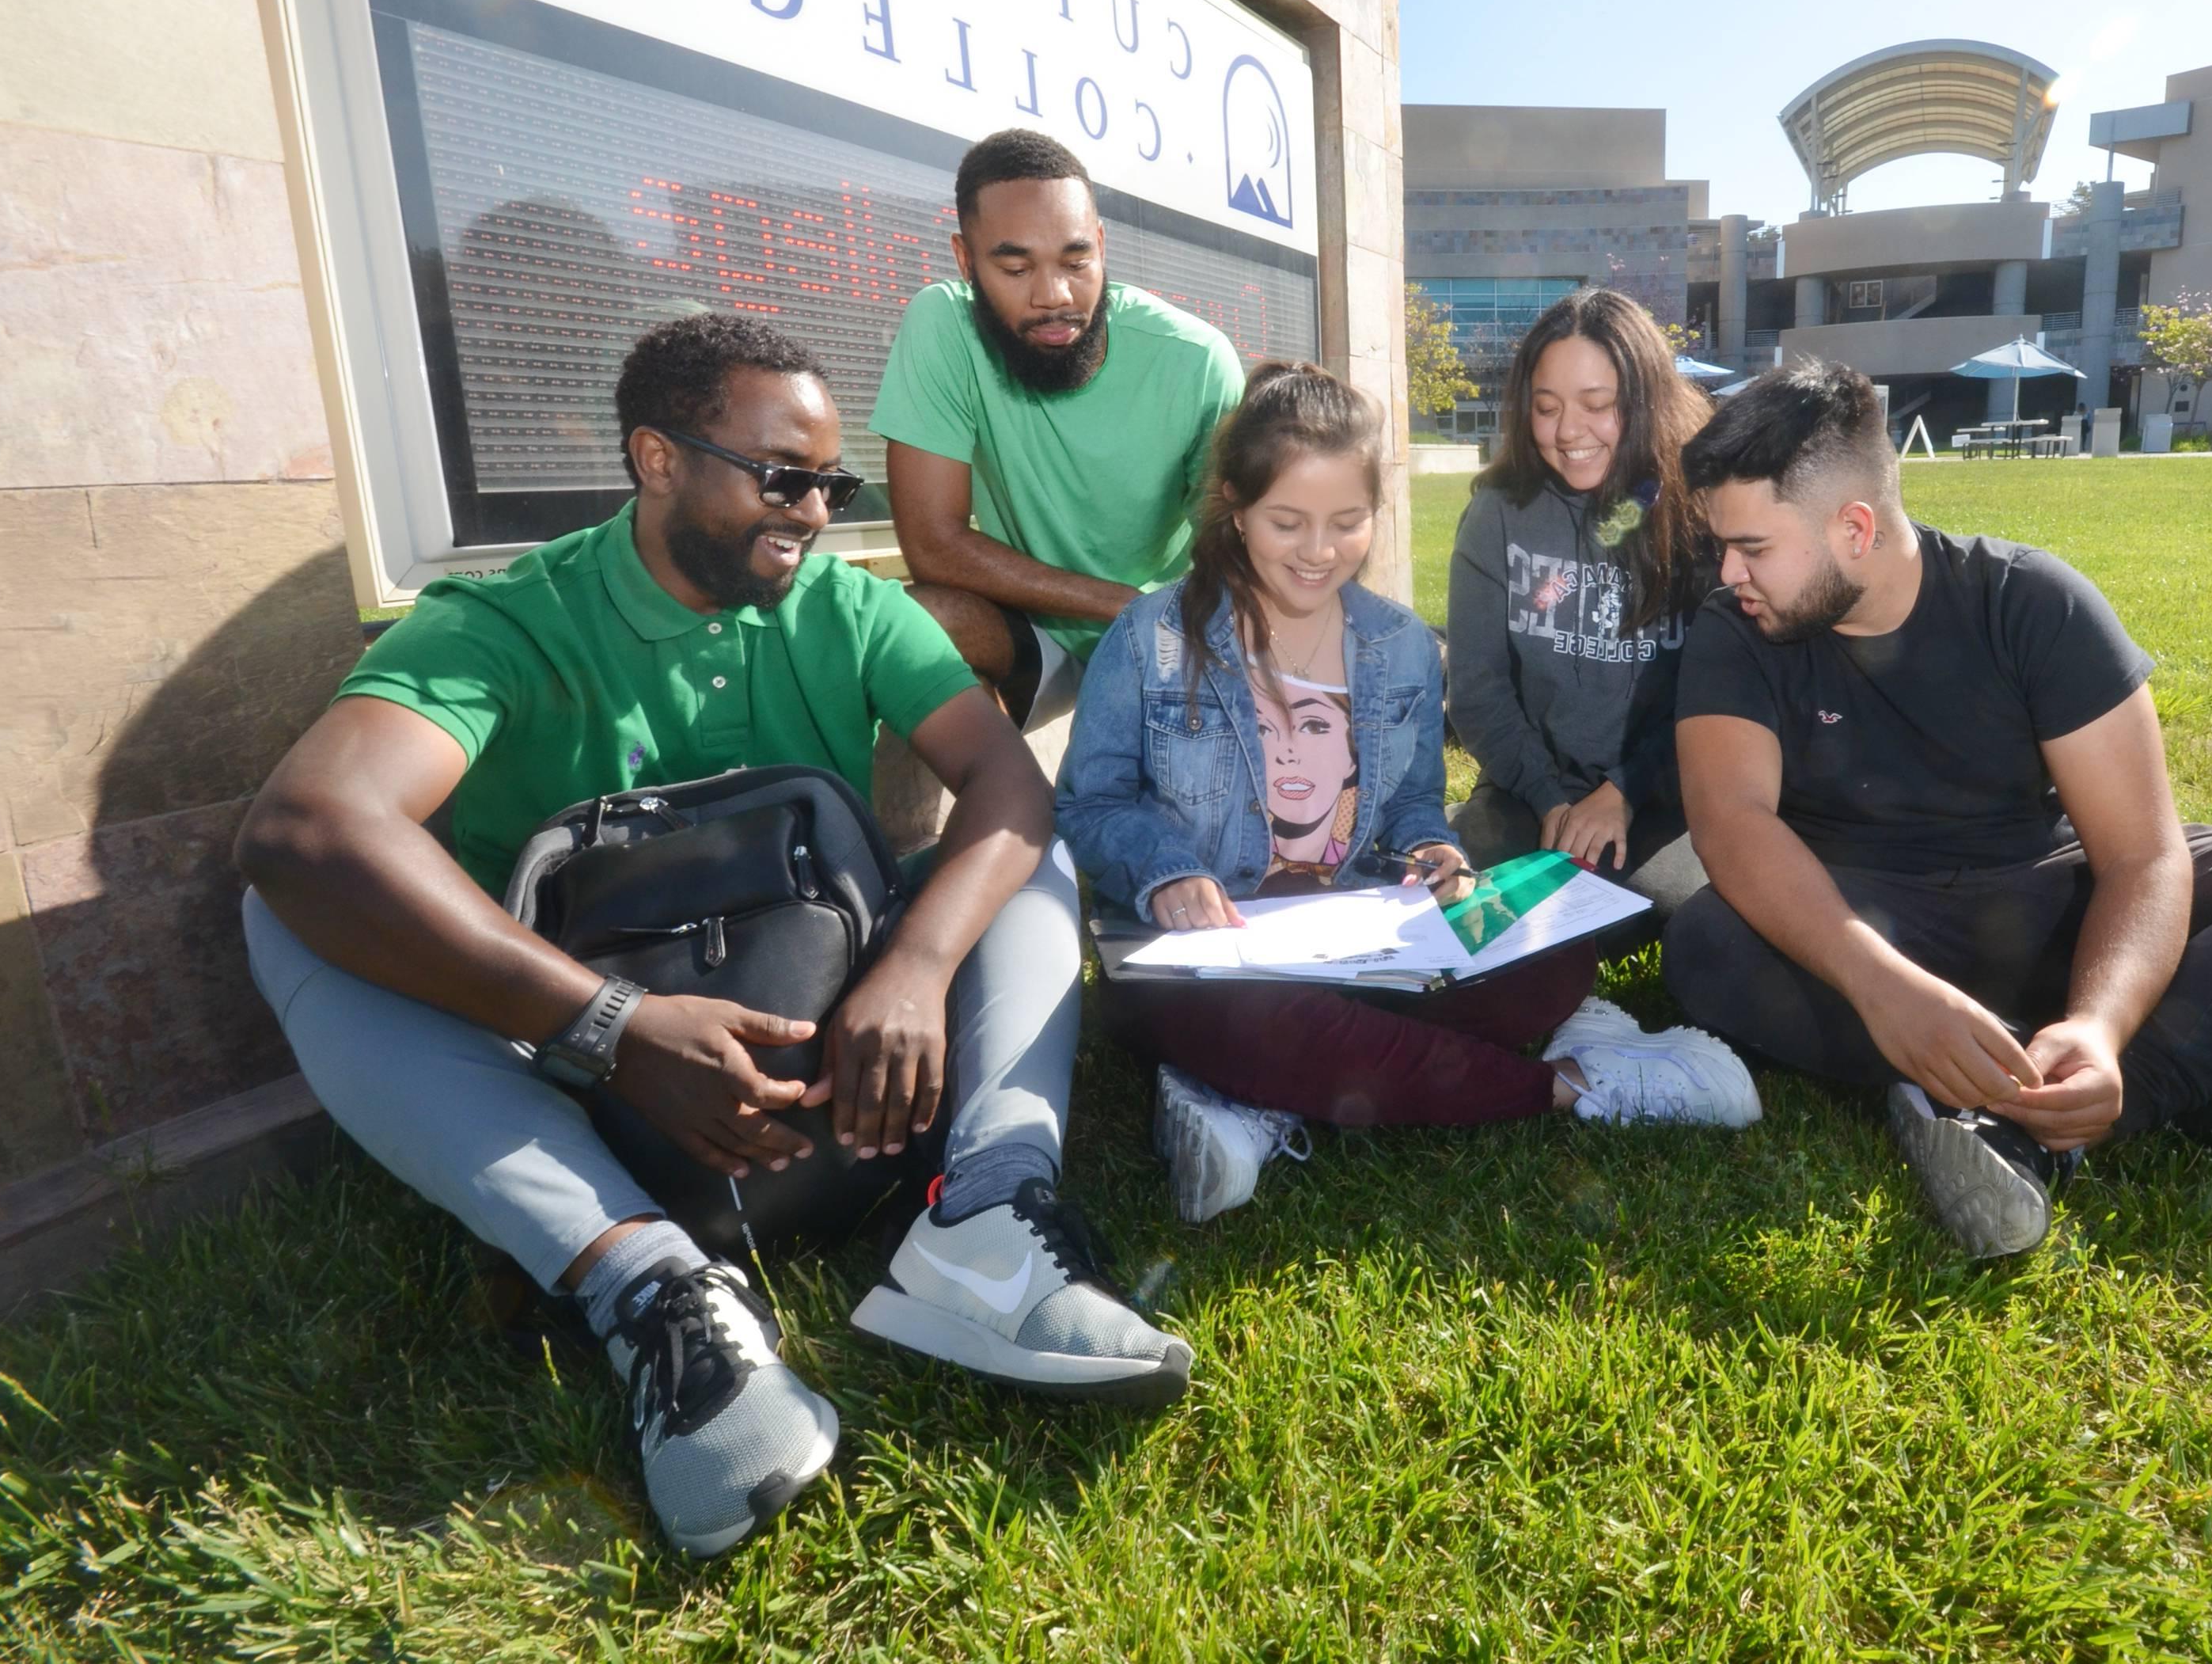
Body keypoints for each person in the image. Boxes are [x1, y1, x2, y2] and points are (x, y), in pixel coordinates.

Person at [236, 314, 1192, 1562]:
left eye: (829, 484)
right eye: (781, 476)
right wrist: (610, 1028)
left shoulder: (846, 608)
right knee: (290, 914)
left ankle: (992, 1225)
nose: (811, 509)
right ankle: (654, 1291)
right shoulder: (504, 622)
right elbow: (309, 824)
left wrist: (911, 969)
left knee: (1021, 860)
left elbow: (1007, 789)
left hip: (843, 1056)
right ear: (657, 458)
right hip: (578, 1076)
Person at [1663, 361, 2212, 1259]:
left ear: (1854, 527)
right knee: (1707, 946)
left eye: (1752, 548)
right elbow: (1733, 822)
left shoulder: (2028, 601)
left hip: (2052, 906)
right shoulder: (1735, 630)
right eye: (1721, 547)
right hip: (1875, 919)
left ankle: (2099, 1095)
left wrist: (2101, 1027)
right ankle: (2185, 1083)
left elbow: (2141, 857)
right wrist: (1882, 988)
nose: (1728, 572)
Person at [1057, 363, 1762, 1225]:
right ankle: (1578, 1086)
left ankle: (1252, 1102)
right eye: (1287, 522)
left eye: (1347, 524)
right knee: (1248, 1018)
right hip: (1203, 962)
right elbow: (1090, 803)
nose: (1319, 552)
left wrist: (1434, 853)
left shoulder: (1395, 648)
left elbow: (1411, 807)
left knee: (1554, 958)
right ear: (1236, 507)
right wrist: (1165, 872)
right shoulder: (1150, 637)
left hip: (1350, 950)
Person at [874, 127, 1246, 731]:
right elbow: (932, 545)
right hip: (1039, 630)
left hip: (1168, 643)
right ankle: (1015, 802)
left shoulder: (1197, 359)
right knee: (912, 618)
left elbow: (1234, 556)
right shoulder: (942, 325)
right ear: (965, 260)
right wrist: (1123, 605)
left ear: (1101, 244)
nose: (1054, 296)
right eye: (1015, 267)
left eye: (1077, 262)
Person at [1445, 289, 1714, 921]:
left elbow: (1715, 700)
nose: (1569, 431)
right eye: (1546, 407)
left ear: (1645, 401)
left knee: (1674, 910)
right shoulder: (1496, 514)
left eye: (1598, 405)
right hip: (1530, 793)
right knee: (1461, 899)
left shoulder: (1701, 511)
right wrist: (1550, 800)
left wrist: (1624, 790)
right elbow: (1478, 692)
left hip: (1660, 794)